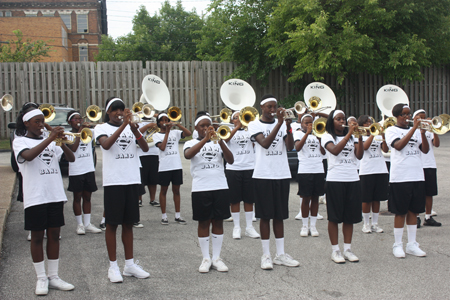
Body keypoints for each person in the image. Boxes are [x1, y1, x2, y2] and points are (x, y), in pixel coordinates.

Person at [13, 107, 75, 295]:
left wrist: (61, 142)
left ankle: (54, 276)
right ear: (26, 123)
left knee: (54, 235)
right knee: (38, 236)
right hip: (36, 195)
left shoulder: (51, 141)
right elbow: (28, 156)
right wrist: (50, 138)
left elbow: (71, 157)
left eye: (42, 121)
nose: (41, 125)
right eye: (37, 122)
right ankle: (41, 278)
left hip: (54, 194)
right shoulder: (20, 140)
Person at [94, 97, 150, 283]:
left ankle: (129, 265)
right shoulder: (101, 128)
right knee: (112, 225)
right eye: (114, 110)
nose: (119, 113)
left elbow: (145, 147)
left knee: (129, 224)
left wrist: (134, 129)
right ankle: (113, 267)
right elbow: (106, 144)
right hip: (114, 182)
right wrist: (124, 125)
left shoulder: (130, 128)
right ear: (108, 113)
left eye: (121, 109)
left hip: (132, 180)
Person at [248, 94, 300, 270]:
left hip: (281, 174)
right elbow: (265, 144)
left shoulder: (282, 124)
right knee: (265, 216)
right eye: (269, 107)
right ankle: (266, 255)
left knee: (279, 216)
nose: (272, 110)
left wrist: (288, 127)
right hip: (263, 175)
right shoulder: (254, 124)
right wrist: (279, 124)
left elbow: (290, 147)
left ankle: (280, 254)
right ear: (262, 108)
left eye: (274, 106)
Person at [184, 113, 234, 273]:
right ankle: (205, 258)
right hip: (201, 188)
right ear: (196, 129)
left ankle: (216, 258)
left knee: (218, 221)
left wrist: (220, 141)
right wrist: (205, 139)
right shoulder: (191, 142)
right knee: (203, 222)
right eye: (202, 126)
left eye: (208, 125)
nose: (206, 128)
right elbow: (188, 155)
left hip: (220, 186)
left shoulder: (219, 142)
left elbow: (231, 160)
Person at [385, 103, 429, 258]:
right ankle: (397, 244)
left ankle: (412, 244)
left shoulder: (417, 131)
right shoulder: (391, 130)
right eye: (404, 114)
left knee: (414, 211)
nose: (408, 117)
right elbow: (398, 145)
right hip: (400, 177)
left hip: (417, 175)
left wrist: (422, 133)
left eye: (408, 114)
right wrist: (414, 129)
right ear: (397, 116)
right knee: (400, 212)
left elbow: (425, 150)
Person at [321, 109, 363, 263]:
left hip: (352, 178)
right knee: (334, 217)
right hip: (335, 180)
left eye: (343, 119)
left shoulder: (352, 137)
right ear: (332, 121)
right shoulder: (327, 136)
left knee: (349, 218)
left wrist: (358, 138)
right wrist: (349, 134)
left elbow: (359, 156)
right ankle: (335, 251)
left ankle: (347, 249)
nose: (342, 122)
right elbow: (335, 151)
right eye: (338, 119)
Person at [224, 111, 260, 239]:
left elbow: (258, 142)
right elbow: (225, 139)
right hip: (233, 168)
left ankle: (249, 227)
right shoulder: (227, 130)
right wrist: (237, 127)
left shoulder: (250, 130)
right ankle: (237, 227)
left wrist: (248, 126)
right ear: (232, 120)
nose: (238, 120)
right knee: (234, 200)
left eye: (240, 118)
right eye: (235, 118)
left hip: (249, 167)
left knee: (249, 199)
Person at [65, 110, 102, 235]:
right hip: (76, 170)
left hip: (88, 168)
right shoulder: (68, 135)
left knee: (87, 197)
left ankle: (87, 224)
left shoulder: (88, 132)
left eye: (80, 118)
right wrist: (80, 130)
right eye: (75, 119)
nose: (79, 121)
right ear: (70, 122)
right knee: (77, 198)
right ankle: (79, 224)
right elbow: (74, 149)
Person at [153, 113, 192, 225]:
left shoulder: (176, 133)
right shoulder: (156, 135)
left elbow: (189, 134)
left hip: (176, 166)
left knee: (176, 191)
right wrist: (167, 132)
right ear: (159, 123)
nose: (165, 122)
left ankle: (178, 215)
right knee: (164, 190)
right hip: (164, 167)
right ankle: (164, 216)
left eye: (167, 120)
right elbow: (163, 147)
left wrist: (177, 125)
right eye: (162, 120)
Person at [293, 114, 326, 237]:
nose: (309, 124)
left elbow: (323, 152)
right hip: (305, 169)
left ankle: (313, 226)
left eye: (310, 122)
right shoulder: (298, 133)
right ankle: (304, 226)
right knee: (305, 198)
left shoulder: (319, 134)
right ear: (301, 124)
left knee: (316, 198)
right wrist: (307, 133)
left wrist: (319, 137)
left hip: (318, 168)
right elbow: (297, 147)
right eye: (306, 123)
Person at [357, 115, 389, 234]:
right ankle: (366, 224)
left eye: (370, 122)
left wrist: (383, 136)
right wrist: (373, 134)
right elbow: (364, 148)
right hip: (367, 170)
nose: (368, 124)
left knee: (377, 199)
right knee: (366, 199)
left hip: (380, 169)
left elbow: (385, 150)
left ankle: (375, 224)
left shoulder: (377, 136)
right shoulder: (359, 136)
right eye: (366, 122)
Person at [412, 109, 441, 227]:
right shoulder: (412, 132)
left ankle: (428, 217)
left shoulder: (429, 131)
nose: (423, 119)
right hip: (417, 165)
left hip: (429, 164)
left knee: (430, 192)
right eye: (420, 117)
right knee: (418, 193)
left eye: (424, 117)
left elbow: (437, 144)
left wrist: (434, 129)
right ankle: (417, 217)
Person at [138, 116, 161, 208]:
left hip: (154, 152)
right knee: (141, 179)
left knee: (153, 179)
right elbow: (136, 132)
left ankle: (153, 199)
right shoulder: (138, 121)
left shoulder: (155, 121)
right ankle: (139, 199)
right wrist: (148, 126)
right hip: (141, 153)